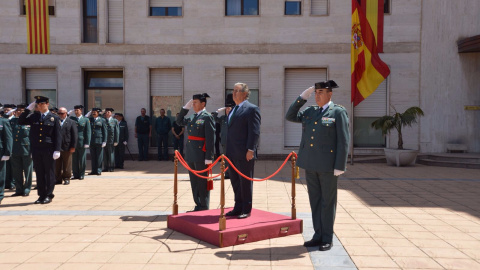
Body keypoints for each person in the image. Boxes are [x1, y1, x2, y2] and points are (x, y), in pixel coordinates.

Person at [285, 80, 349, 251]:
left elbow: (343, 141)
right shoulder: (310, 111)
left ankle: (327, 237)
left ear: (330, 94)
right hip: (310, 164)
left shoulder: (338, 112)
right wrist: (301, 98)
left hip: (328, 166)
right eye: (316, 92)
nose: (317, 95)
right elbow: (290, 116)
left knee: (328, 202)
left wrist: (340, 165)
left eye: (321, 92)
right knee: (315, 201)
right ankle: (317, 235)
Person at [225, 83, 261, 219]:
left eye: (237, 91)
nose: (233, 93)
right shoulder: (233, 109)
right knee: (235, 181)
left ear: (245, 94)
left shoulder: (252, 109)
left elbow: (254, 131)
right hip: (232, 153)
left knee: (245, 182)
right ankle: (238, 206)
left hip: (244, 153)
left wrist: (251, 149)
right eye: (233, 90)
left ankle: (246, 208)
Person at [18, 96, 62, 204]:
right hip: (37, 149)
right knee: (39, 173)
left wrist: (57, 150)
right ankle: (41, 195)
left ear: (47, 104)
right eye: (38, 104)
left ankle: (49, 195)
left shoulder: (54, 118)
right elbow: (21, 121)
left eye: (42, 104)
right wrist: (28, 109)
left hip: (49, 149)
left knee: (49, 173)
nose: (40, 106)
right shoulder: (34, 117)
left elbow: (58, 135)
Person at [177, 93, 215, 211]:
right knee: (194, 181)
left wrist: (209, 156)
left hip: (201, 154)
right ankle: (198, 204)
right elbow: (179, 122)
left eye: (195, 102)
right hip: (191, 154)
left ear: (203, 104)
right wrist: (185, 109)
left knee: (202, 182)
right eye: (192, 103)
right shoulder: (192, 117)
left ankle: (204, 205)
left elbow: (210, 138)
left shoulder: (207, 117)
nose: (193, 105)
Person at [10, 103, 33, 196]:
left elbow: (33, 137)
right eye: (18, 110)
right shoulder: (12, 121)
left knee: (27, 170)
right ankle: (18, 189)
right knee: (16, 171)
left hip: (26, 149)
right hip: (15, 149)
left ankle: (27, 188)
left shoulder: (30, 121)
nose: (19, 112)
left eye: (22, 111)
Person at [212, 93, 235, 179]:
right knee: (225, 159)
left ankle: (233, 173)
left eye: (229, 109)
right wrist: (218, 111)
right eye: (226, 109)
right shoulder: (223, 118)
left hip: (233, 142)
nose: (227, 110)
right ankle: (227, 174)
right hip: (225, 142)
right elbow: (213, 118)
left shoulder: (235, 117)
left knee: (233, 159)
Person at [55, 107, 78, 185]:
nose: (60, 115)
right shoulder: (55, 121)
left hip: (67, 146)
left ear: (66, 113)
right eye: (59, 113)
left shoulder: (71, 122)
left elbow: (74, 135)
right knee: (57, 164)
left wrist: (73, 146)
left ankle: (66, 178)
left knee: (67, 164)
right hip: (57, 147)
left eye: (62, 113)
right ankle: (57, 179)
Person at [70, 105, 91, 180]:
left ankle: (82, 174)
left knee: (82, 159)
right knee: (74, 159)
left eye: (77, 110)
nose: (76, 112)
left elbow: (88, 132)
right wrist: (69, 113)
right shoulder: (72, 119)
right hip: (73, 142)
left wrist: (87, 142)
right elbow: (64, 119)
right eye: (75, 110)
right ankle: (75, 174)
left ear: (81, 111)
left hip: (82, 142)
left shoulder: (85, 120)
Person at [88, 108, 107, 176]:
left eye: (95, 112)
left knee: (99, 156)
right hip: (91, 140)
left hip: (99, 140)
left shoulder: (102, 120)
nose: (93, 113)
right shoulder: (90, 119)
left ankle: (99, 170)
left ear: (98, 113)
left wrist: (104, 141)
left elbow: (105, 131)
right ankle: (93, 170)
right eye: (92, 112)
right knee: (93, 156)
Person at [0, 109, 13, 204]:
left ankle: (0, 194)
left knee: (0, 174)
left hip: (0, 152)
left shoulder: (4, 122)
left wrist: (7, 152)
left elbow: (8, 138)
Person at [103, 108, 119, 172]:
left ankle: (111, 167)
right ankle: (106, 167)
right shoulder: (103, 120)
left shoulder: (114, 121)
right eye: (106, 112)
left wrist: (116, 140)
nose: (107, 113)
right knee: (105, 154)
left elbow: (117, 131)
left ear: (111, 113)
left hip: (111, 140)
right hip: (104, 140)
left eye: (108, 112)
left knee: (111, 154)